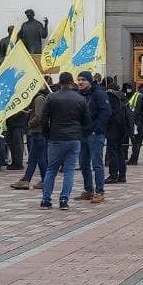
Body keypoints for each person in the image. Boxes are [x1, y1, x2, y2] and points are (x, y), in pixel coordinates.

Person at [40, 71, 88, 209]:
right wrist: (79, 132)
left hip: (56, 137)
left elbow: (44, 119)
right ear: (71, 82)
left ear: (60, 83)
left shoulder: (51, 97)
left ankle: (46, 199)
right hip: (73, 138)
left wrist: (47, 133)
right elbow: (86, 120)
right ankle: (64, 200)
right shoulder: (80, 99)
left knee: (51, 170)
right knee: (69, 171)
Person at [76, 71, 110, 204]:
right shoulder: (78, 95)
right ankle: (88, 190)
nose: (80, 82)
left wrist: (96, 129)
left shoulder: (99, 94)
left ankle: (100, 191)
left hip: (95, 134)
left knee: (97, 164)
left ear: (90, 81)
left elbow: (106, 112)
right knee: (84, 163)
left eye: (83, 79)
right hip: (82, 134)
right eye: (78, 79)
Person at [11, 85, 50, 189]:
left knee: (40, 158)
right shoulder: (37, 99)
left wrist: (29, 123)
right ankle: (28, 180)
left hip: (39, 132)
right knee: (34, 158)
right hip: (37, 133)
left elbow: (38, 116)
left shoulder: (39, 99)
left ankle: (41, 180)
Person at [104, 78, 132, 184]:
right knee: (120, 152)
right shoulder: (123, 97)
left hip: (113, 128)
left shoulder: (112, 97)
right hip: (123, 128)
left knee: (112, 152)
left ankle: (113, 175)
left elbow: (110, 113)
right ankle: (122, 175)